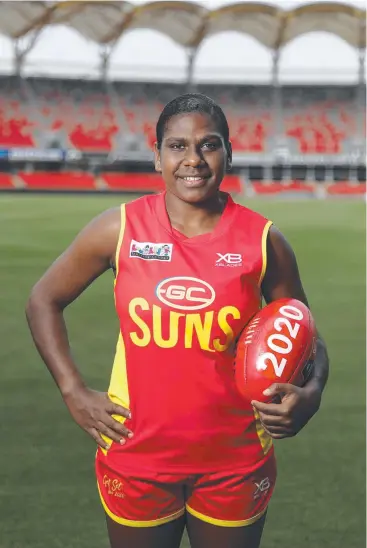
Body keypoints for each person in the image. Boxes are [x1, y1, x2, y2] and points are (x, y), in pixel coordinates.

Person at [26, 93, 329, 548]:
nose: (193, 160)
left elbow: (308, 336)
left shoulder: (264, 241)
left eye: (208, 145)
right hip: (136, 454)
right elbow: (43, 300)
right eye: (177, 146)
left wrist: (311, 394)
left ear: (229, 152)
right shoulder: (120, 227)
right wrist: (72, 389)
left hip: (235, 459)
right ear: (157, 155)